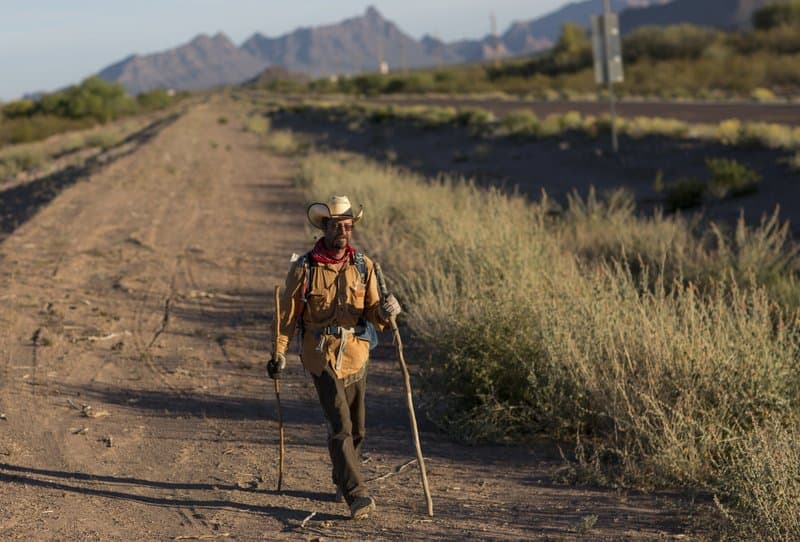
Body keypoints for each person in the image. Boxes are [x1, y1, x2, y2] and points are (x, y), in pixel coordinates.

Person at [267, 194, 402, 520]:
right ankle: (357, 494)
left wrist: (387, 311)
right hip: (320, 356)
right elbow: (286, 315)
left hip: (356, 355)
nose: (343, 230)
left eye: (348, 225)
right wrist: (279, 353)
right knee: (340, 424)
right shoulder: (305, 268)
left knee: (357, 431)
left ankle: (341, 475)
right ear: (324, 227)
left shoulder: (364, 266)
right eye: (336, 225)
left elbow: (373, 314)